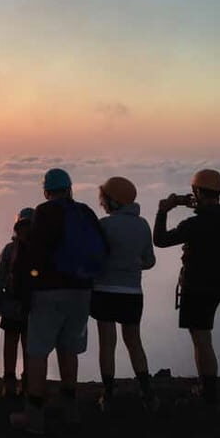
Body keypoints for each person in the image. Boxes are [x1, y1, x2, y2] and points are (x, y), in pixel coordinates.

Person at [10, 168, 107, 434]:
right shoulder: (85, 212)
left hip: (49, 292)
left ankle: (35, 416)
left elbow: (35, 253)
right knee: (69, 348)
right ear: (70, 188)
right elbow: (102, 249)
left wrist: (25, 287)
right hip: (82, 291)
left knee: (38, 352)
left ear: (46, 191)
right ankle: (70, 410)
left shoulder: (44, 212)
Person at [153, 169, 220, 407]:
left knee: (201, 338)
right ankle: (207, 388)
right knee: (204, 336)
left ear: (197, 191)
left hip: (196, 286)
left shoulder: (193, 224)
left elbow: (160, 240)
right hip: (219, 285)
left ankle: (208, 392)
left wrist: (163, 211)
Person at [92, 177, 158, 412]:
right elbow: (149, 261)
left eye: (104, 199)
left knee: (107, 345)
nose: (101, 203)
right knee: (134, 343)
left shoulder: (103, 226)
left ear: (113, 201)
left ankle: (108, 395)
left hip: (104, 292)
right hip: (132, 293)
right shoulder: (142, 225)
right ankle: (147, 392)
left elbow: (94, 259)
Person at [0, 207, 33, 398]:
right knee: (29, 346)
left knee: (11, 344)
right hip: (32, 306)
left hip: (11, 305)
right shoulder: (42, 250)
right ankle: (27, 384)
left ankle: (9, 384)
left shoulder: (9, 250)